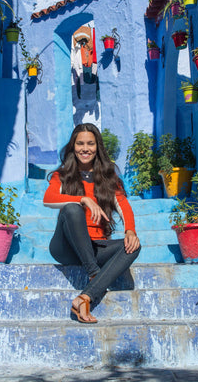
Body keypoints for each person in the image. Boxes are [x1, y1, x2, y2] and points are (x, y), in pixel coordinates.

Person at [43, 123, 141, 323]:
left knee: (133, 246)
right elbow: (48, 198)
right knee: (72, 208)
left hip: (95, 247)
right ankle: (95, 275)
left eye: (90, 143)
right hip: (66, 247)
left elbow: (123, 205)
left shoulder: (108, 177)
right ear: (73, 147)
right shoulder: (61, 175)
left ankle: (85, 297)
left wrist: (130, 230)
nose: (85, 148)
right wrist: (83, 199)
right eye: (80, 144)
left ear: (97, 147)